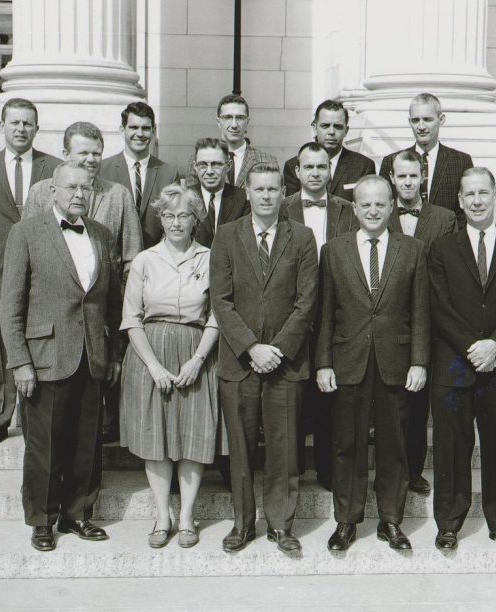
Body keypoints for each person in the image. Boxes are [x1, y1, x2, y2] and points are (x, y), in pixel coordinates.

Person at [0, 161, 122, 551]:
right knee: (45, 444)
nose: (79, 194)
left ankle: (79, 514)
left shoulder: (102, 235)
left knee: (87, 442)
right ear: (52, 191)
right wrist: (20, 361)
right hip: (46, 355)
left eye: (86, 188)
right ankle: (42, 519)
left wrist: (113, 353)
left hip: (92, 354)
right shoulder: (26, 233)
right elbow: (11, 306)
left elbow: (111, 302)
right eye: (70, 187)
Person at [315, 175, 429, 552]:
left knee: (394, 445)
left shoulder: (411, 249)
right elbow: (326, 313)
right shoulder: (334, 250)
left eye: (380, 203)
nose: (373, 210)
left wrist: (419, 361)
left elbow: (420, 311)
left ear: (392, 204)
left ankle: (391, 520)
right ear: (355, 207)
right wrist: (323, 363)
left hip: (396, 361)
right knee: (346, 444)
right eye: (365, 204)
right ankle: (346, 521)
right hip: (348, 361)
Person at [210, 163, 319, 555]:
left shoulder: (303, 237)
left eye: (274, 189)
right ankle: (242, 523)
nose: (267, 196)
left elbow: (307, 302)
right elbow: (220, 300)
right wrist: (250, 347)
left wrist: (278, 349)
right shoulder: (227, 236)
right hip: (239, 361)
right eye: (259, 189)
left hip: (286, 362)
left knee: (285, 447)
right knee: (239, 447)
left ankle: (281, 524)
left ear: (282, 192)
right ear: (248, 192)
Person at [428, 167, 496, 552]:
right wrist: (473, 347)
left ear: (495, 196)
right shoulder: (441, 249)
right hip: (454, 364)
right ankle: (450, 522)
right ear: (459, 200)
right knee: (451, 447)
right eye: (469, 194)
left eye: (483, 193)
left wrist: (495, 345)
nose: (476, 201)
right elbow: (439, 307)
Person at [24, 121, 143, 444]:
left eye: (96, 153)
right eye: (82, 152)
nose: (90, 159)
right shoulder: (40, 193)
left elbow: (132, 255)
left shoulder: (118, 195)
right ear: (65, 154)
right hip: (54, 323)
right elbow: (26, 253)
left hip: (101, 314)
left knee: (92, 418)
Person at [120, 183, 223, 549]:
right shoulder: (145, 260)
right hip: (151, 354)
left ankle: (187, 518)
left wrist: (198, 360)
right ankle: (162, 516)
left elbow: (217, 316)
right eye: (168, 215)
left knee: (194, 436)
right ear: (159, 219)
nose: (176, 222)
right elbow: (131, 319)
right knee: (157, 440)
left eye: (184, 215)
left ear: (196, 219)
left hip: (197, 351)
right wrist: (154, 367)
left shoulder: (211, 258)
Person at [0, 98, 61, 447]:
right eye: (15, 123)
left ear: (36, 128)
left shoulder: (54, 167)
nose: (21, 129)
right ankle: (0, 417)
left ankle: (34, 415)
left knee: (37, 341)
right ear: (2, 126)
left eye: (27, 123)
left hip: (42, 271)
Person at [282, 142, 358, 491]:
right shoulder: (280, 209)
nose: (315, 173)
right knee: (293, 398)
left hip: (336, 314)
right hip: (291, 316)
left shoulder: (347, 210)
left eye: (321, 167)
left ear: (331, 172)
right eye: (308, 167)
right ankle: (292, 472)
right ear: (297, 172)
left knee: (331, 398)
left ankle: (329, 471)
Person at [387, 149, 457, 496]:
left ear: (423, 178)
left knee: (418, 404)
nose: (408, 182)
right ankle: (390, 471)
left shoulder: (444, 219)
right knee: (389, 402)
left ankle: (412, 472)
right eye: (401, 176)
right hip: (388, 320)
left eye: (413, 176)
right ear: (392, 178)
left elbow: (450, 271)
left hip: (429, 320)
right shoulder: (378, 213)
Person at [379, 93, 473, 222]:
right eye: (415, 120)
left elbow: (465, 212)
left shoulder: (461, 162)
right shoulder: (390, 162)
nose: (421, 127)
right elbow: (384, 208)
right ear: (409, 122)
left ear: (441, 119)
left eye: (428, 119)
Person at [99, 101, 179, 248]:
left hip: (154, 259)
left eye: (146, 128)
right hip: (113, 258)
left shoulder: (169, 174)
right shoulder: (103, 170)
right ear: (122, 130)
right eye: (134, 127)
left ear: (154, 130)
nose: (140, 134)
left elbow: (173, 220)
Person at [284, 99, 375, 201]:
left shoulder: (363, 166)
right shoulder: (293, 166)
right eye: (325, 126)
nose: (331, 132)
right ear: (315, 128)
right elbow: (292, 210)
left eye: (338, 127)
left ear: (346, 130)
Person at [185, 94, 277, 190]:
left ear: (247, 122)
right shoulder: (199, 160)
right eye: (228, 117)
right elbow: (191, 200)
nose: (234, 125)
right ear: (218, 122)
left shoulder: (267, 160)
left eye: (240, 118)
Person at [191, 137, 250, 248]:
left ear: (229, 165)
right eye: (203, 165)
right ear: (195, 167)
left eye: (216, 164)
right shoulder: (184, 197)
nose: (209, 171)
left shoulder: (242, 198)